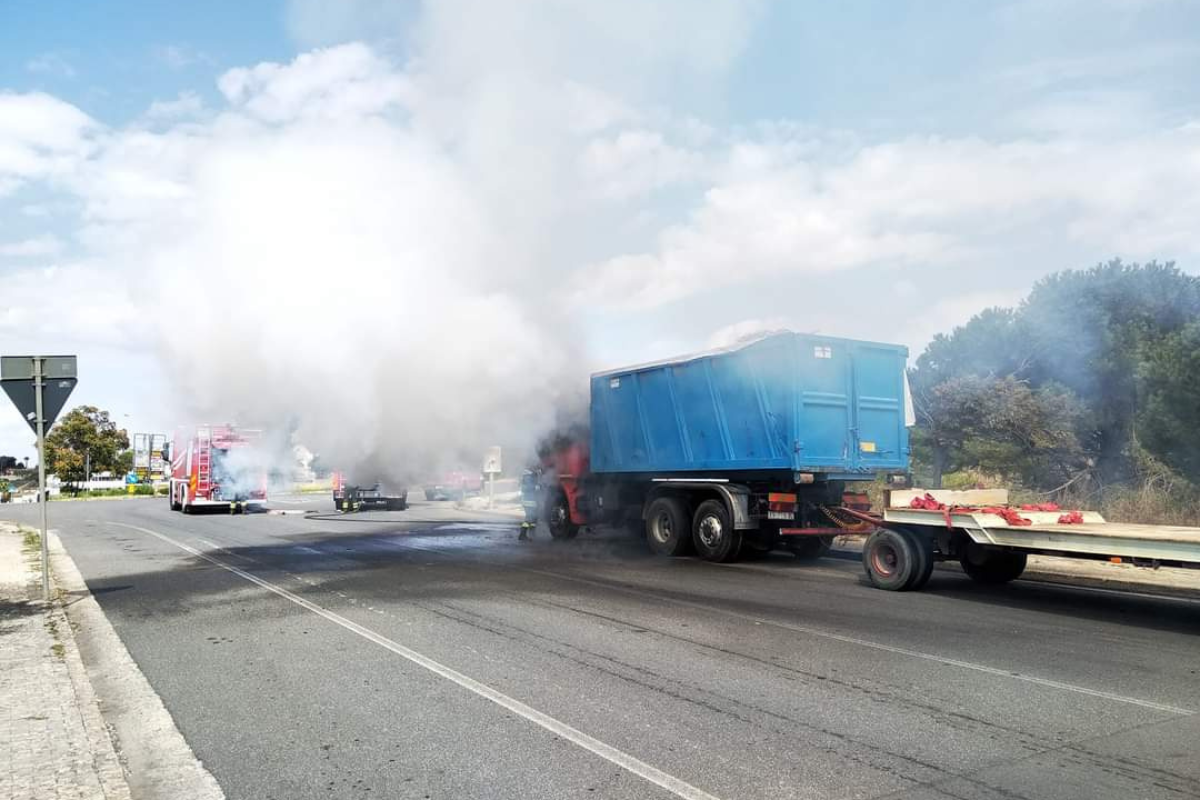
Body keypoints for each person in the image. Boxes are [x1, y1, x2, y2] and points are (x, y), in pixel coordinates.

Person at [518, 467, 543, 541]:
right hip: (528, 501)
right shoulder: (528, 476)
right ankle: (522, 535)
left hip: (531, 500)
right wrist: (535, 487)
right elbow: (526, 488)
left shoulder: (531, 475)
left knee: (534, 518)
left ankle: (532, 534)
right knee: (529, 518)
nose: (537, 469)